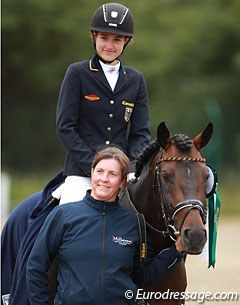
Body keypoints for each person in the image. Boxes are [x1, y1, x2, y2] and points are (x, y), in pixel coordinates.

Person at [26, 146, 184, 305]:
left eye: (112, 174)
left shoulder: (134, 223)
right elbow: (35, 267)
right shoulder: (63, 215)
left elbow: (144, 276)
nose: (104, 179)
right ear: (92, 173)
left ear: (122, 182)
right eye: (99, 171)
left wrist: (176, 249)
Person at [56, 2, 151, 204]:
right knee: (66, 219)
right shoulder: (77, 73)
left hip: (121, 175)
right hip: (82, 174)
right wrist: (95, 167)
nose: (110, 45)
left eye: (117, 39)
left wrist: (132, 168)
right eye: (104, 38)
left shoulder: (136, 80)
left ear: (126, 41)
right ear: (94, 37)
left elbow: (140, 133)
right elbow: (65, 127)